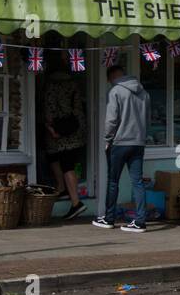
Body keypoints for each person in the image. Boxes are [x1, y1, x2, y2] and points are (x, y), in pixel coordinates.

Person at [94, 64, 152, 232]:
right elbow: (147, 120)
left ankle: (109, 218)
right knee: (138, 182)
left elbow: (111, 119)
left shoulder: (115, 92)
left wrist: (107, 139)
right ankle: (140, 221)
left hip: (119, 143)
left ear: (111, 78)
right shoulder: (144, 93)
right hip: (138, 142)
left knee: (113, 181)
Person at [41, 54, 88, 220]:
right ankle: (62, 189)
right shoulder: (73, 83)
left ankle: (76, 203)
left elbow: (49, 110)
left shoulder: (51, 86)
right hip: (75, 129)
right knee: (63, 161)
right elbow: (78, 106)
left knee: (64, 164)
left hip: (59, 132)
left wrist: (52, 129)